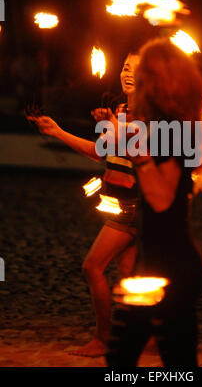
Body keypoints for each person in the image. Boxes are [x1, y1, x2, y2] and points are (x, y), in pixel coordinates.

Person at [27, 52, 140, 357]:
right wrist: (58, 131)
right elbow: (100, 152)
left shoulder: (150, 112)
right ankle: (145, 337)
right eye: (125, 66)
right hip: (123, 204)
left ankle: (104, 339)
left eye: (137, 67)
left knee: (92, 266)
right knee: (129, 274)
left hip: (136, 207)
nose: (128, 72)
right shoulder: (120, 109)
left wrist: (114, 124)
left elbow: (139, 152)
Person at [106, 38, 202, 367]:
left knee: (160, 363)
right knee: (146, 360)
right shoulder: (177, 123)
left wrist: (140, 157)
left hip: (168, 270)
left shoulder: (170, 128)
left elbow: (163, 199)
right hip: (158, 263)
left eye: (143, 70)